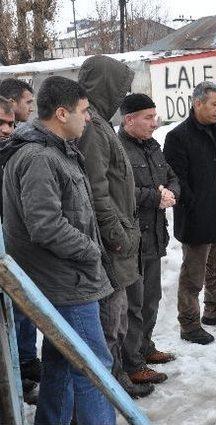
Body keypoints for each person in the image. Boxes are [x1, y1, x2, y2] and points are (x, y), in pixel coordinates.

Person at [0, 75, 116, 425]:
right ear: (62, 113)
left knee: (62, 362)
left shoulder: (52, 151)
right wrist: (90, 250)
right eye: (84, 110)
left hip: (66, 278)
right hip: (67, 283)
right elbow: (45, 225)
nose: (89, 118)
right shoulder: (38, 157)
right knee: (93, 368)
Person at [77, 55, 151, 398]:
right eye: (120, 87)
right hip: (113, 240)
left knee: (119, 314)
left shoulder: (101, 124)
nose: (124, 95)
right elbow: (96, 189)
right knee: (111, 317)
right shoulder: (92, 128)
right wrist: (116, 232)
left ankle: (117, 375)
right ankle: (111, 384)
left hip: (121, 234)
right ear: (105, 85)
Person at [164, 82, 216, 345]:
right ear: (198, 103)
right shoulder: (178, 136)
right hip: (197, 216)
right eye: (214, 104)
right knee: (193, 274)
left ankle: (215, 309)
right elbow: (176, 179)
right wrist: (194, 205)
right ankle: (189, 324)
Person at [119, 94, 179, 386]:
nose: (155, 123)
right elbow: (120, 192)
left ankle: (145, 347)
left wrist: (170, 192)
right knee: (133, 302)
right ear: (129, 119)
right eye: (148, 117)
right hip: (131, 240)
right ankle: (131, 363)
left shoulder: (153, 146)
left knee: (151, 298)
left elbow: (172, 176)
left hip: (154, 236)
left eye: (155, 117)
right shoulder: (118, 149)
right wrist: (155, 196)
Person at [0, 80, 41, 387]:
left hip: (13, 246)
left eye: (9, 124)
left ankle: (23, 366)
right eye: (1, 123)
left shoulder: (11, 153)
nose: (7, 130)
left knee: (21, 308)